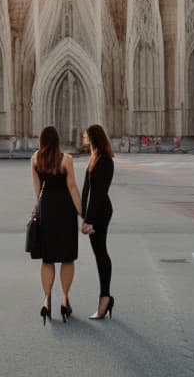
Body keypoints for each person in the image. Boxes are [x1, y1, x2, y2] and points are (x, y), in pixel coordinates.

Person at [31, 126, 82, 324]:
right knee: (67, 258)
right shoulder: (66, 159)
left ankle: (46, 300)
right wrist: (82, 213)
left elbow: (38, 192)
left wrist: (41, 212)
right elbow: (72, 188)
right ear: (57, 141)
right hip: (66, 211)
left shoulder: (35, 160)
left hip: (47, 210)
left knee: (48, 259)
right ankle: (64, 299)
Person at [81, 124, 115, 320]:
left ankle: (105, 297)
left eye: (86, 136)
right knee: (99, 254)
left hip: (101, 213)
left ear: (93, 138)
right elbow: (87, 188)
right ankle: (105, 297)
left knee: (101, 254)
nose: (84, 139)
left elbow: (99, 195)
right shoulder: (95, 158)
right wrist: (81, 212)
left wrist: (90, 221)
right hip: (95, 212)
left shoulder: (104, 161)